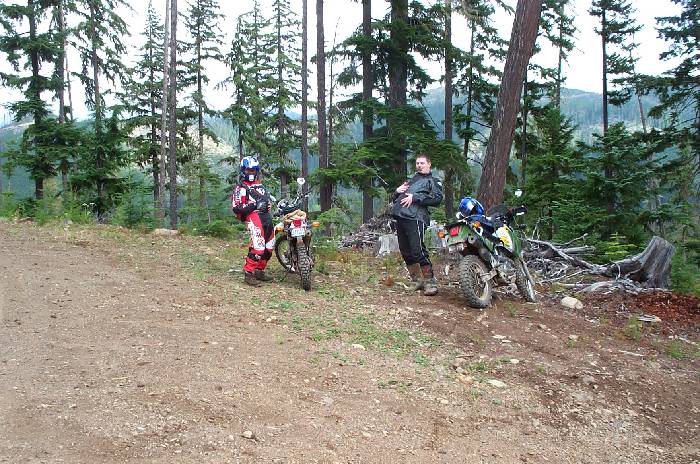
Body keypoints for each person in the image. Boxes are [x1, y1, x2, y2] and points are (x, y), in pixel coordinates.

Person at [391, 154, 443, 296]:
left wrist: (416, 198)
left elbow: (437, 199)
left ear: (429, 164)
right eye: (417, 163)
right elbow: (395, 199)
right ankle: (416, 280)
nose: (419, 165)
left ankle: (430, 282)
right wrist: (397, 191)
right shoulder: (411, 180)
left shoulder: (433, 181)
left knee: (418, 250)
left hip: (416, 218)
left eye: (422, 163)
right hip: (401, 217)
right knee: (405, 250)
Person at [231, 156, 275, 286]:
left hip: (266, 217)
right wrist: (255, 205)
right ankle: (248, 273)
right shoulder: (241, 188)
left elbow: (265, 199)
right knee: (258, 247)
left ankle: (259, 270)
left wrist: (268, 204)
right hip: (253, 217)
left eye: (253, 170)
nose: (251, 172)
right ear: (243, 170)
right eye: (248, 170)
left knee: (269, 247)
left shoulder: (259, 184)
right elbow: (237, 208)